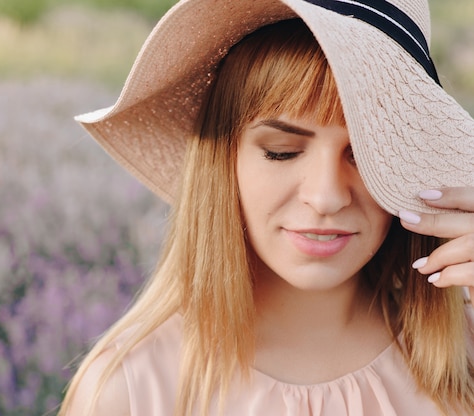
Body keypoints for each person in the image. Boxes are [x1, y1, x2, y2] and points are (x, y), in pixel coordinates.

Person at [59, 0, 474, 414]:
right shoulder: (129, 391)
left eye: (366, 155)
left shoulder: (464, 357)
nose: (327, 196)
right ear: (225, 161)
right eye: (282, 151)